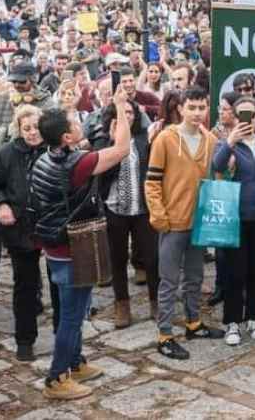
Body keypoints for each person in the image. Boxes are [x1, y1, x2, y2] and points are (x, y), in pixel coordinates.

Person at [28, 95, 131, 400]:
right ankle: (57, 378)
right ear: (66, 137)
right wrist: (122, 110)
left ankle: (74, 362)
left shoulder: (48, 156)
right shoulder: (78, 163)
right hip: (73, 249)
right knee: (72, 317)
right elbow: (123, 149)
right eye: (74, 123)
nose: (79, 124)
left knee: (73, 311)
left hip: (56, 247)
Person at [144, 87, 225, 359]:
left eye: (202, 108)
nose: (197, 113)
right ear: (181, 108)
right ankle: (165, 334)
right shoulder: (165, 139)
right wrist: (159, 216)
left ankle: (193, 322)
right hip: (172, 222)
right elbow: (152, 182)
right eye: (192, 107)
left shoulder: (211, 140)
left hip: (200, 222)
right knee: (168, 280)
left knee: (195, 276)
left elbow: (218, 176)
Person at [0, 105, 55, 362]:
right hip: (21, 228)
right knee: (25, 284)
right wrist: (0, 204)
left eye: (36, 128)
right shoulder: (6, 153)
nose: (32, 133)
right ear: (19, 130)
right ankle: (25, 340)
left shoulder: (55, 150)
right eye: (26, 128)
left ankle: (64, 337)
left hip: (53, 226)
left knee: (59, 282)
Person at [87, 68, 156, 330]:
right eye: (121, 112)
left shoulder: (143, 140)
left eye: (130, 113)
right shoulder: (103, 141)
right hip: (115, 208)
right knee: (117, 258)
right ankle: (121, 304)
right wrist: (112, 141)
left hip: (142, 208)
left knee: (151, 257)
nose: (126, 116)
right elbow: (100, 173)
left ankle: (154, 301)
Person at [210, 95, 255, 346]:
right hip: (236, 217)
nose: (246, 119)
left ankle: (254, 318)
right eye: (241, 113)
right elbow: (216, 166)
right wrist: (230, 141)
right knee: (234, 271)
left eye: (251, 114)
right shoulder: (227, 143)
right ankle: (232, 321)